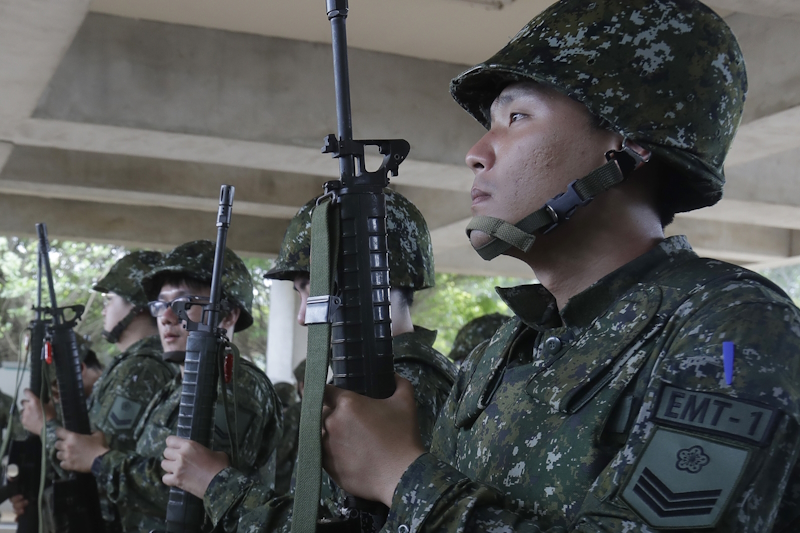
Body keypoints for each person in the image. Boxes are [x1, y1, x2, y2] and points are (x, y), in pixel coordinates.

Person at [317, 1, 800, 532]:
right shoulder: (500, 354)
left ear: (626, 146)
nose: (476, 153)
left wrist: (397, 472)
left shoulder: (732, 331)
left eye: (516, 118)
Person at [160, 189, 457, 531]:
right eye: (299, 293)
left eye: (313, 289)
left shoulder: (396, 390)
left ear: (368, 283)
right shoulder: (413, 378)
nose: (302, 316)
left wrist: (216, 483)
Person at [52, 240, 282, 532]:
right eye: (161, 304)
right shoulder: (177, 382)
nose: (166, 317)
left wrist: (100, 461)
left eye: (184, 303)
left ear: (229, 315)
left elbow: (193, 491)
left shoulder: (235, 384)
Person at [18, 250, 177, 529]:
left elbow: (92, 462)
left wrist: (45, 425)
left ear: (138, 306)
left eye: (110, 299)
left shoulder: (140, 370)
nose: (104, 308)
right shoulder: (137, 364)